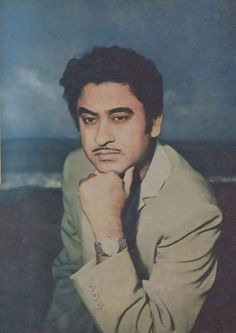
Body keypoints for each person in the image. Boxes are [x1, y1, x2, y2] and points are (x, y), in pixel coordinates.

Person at [45, 46, 222, 333]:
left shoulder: (195, 211)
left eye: (119, 117)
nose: (101, 138)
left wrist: (106, 228)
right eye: (90, 119)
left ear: (154, 123)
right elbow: (70, 271)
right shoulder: (76, 166)